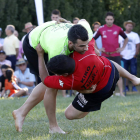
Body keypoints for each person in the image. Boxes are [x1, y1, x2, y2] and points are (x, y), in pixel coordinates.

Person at [12, 19, 93, 133]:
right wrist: (81, 89)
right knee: (52, 85)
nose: (86, 48)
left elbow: (83, 20)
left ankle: (20, 112)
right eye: (82, 46)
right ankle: (53, 127)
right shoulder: (57, 49)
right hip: (35, 43)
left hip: (51, 31)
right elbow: (49, 81)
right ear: (71, 43)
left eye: (87, 44)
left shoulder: (86, 31)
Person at [37, 38, 140, 122]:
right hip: (111, 70)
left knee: (69, 114)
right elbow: (87, 33)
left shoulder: (70, 81)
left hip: (101, 91)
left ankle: (91, 105)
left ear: (64, 74)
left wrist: (40, 55)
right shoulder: (85, 51)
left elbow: (44, 79)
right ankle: (133, 78)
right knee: (106, 62)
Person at [93, 12, 128, 97]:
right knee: (106, 75)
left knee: (119, 73)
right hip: (105, 55)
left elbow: (126, 38)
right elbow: (93, 39)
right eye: (108, 19)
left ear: (113, 20)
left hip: (116, 55)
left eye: (111, 19)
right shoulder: (101, 29)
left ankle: (121, 92)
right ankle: (108, 93)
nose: (109, 21)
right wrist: (97, 49)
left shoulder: (118, 29)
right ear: (105, 20)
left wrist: (122, 48)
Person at [119, 20, 140, 92]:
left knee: (133, 72)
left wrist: (135, 54)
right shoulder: (121, 35)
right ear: (125, 26)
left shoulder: (135, 35)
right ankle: (126, 87)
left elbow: (138, 45)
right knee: (125, 73)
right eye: (128, 25)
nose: (130, 27)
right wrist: (119, 53)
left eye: (131, 26)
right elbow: (117, 44)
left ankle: (134, 87)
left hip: (132, 56)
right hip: (123, 56)